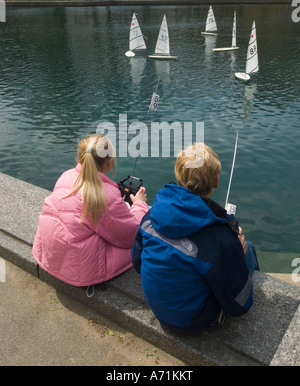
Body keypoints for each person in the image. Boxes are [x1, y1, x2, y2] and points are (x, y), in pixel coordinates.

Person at [132, 142, 259, 334]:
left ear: (178, 174)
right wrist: (238, 254)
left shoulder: (153, 214)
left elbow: (137, 262)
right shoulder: (220, 237)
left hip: (159, 308)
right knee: (247, 248)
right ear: (216, 181)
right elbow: (239, 306)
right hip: (193, 321)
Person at [32, 134, 148, 288]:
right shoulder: (105, 195)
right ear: (108, 164)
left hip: (49, 254)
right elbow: (130, 236)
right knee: (143, 240)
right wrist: (139, 205)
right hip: (80, 270)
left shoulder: (66, 176)